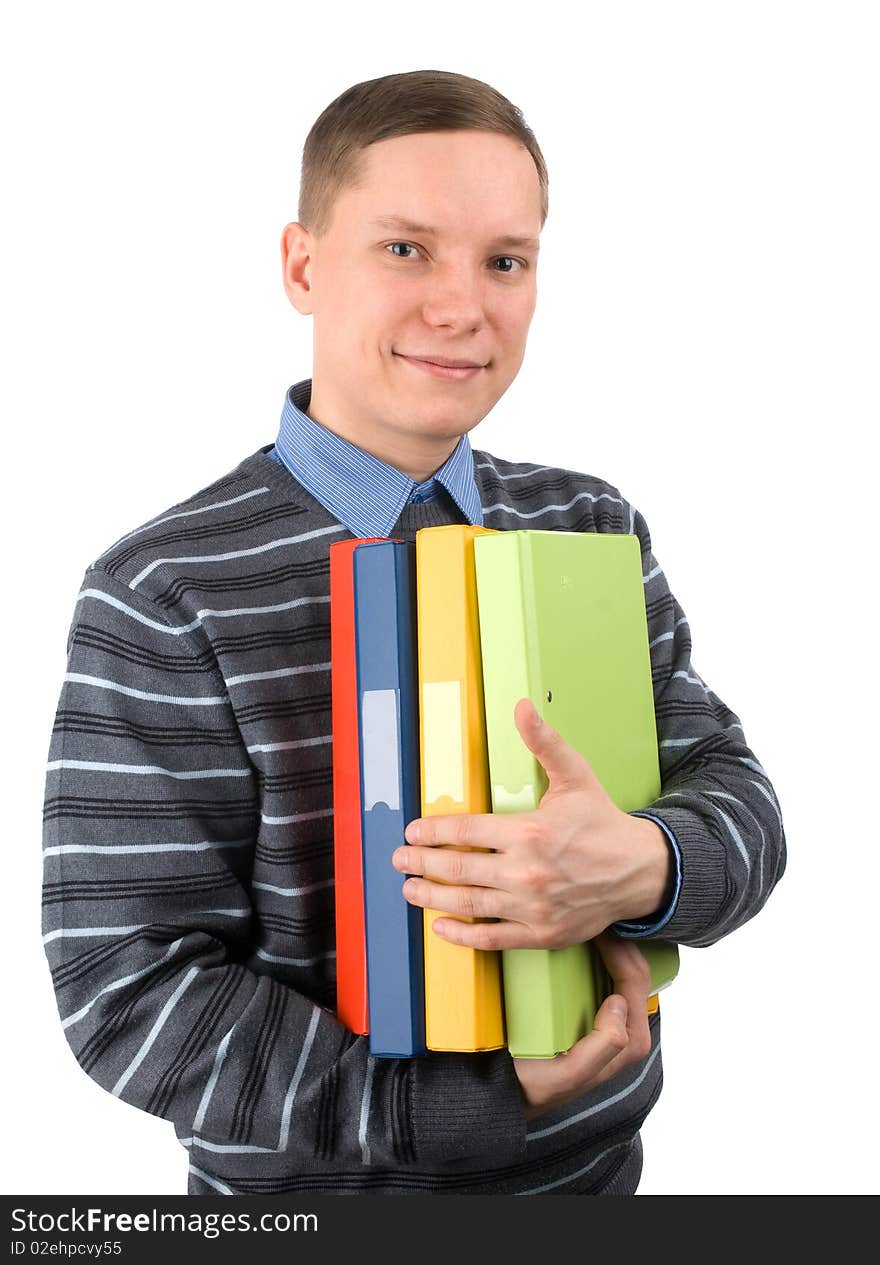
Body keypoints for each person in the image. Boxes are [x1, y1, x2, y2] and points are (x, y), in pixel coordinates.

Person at [41, 68, 786, 1197]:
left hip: (597, 1187)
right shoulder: (164, 590)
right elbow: (125, 988)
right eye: (405, 250)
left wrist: (645, 860)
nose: (461, 307)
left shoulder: (588, 523)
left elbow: (734, 792)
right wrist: (456, 1109)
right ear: (302, 264)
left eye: (505, 259)